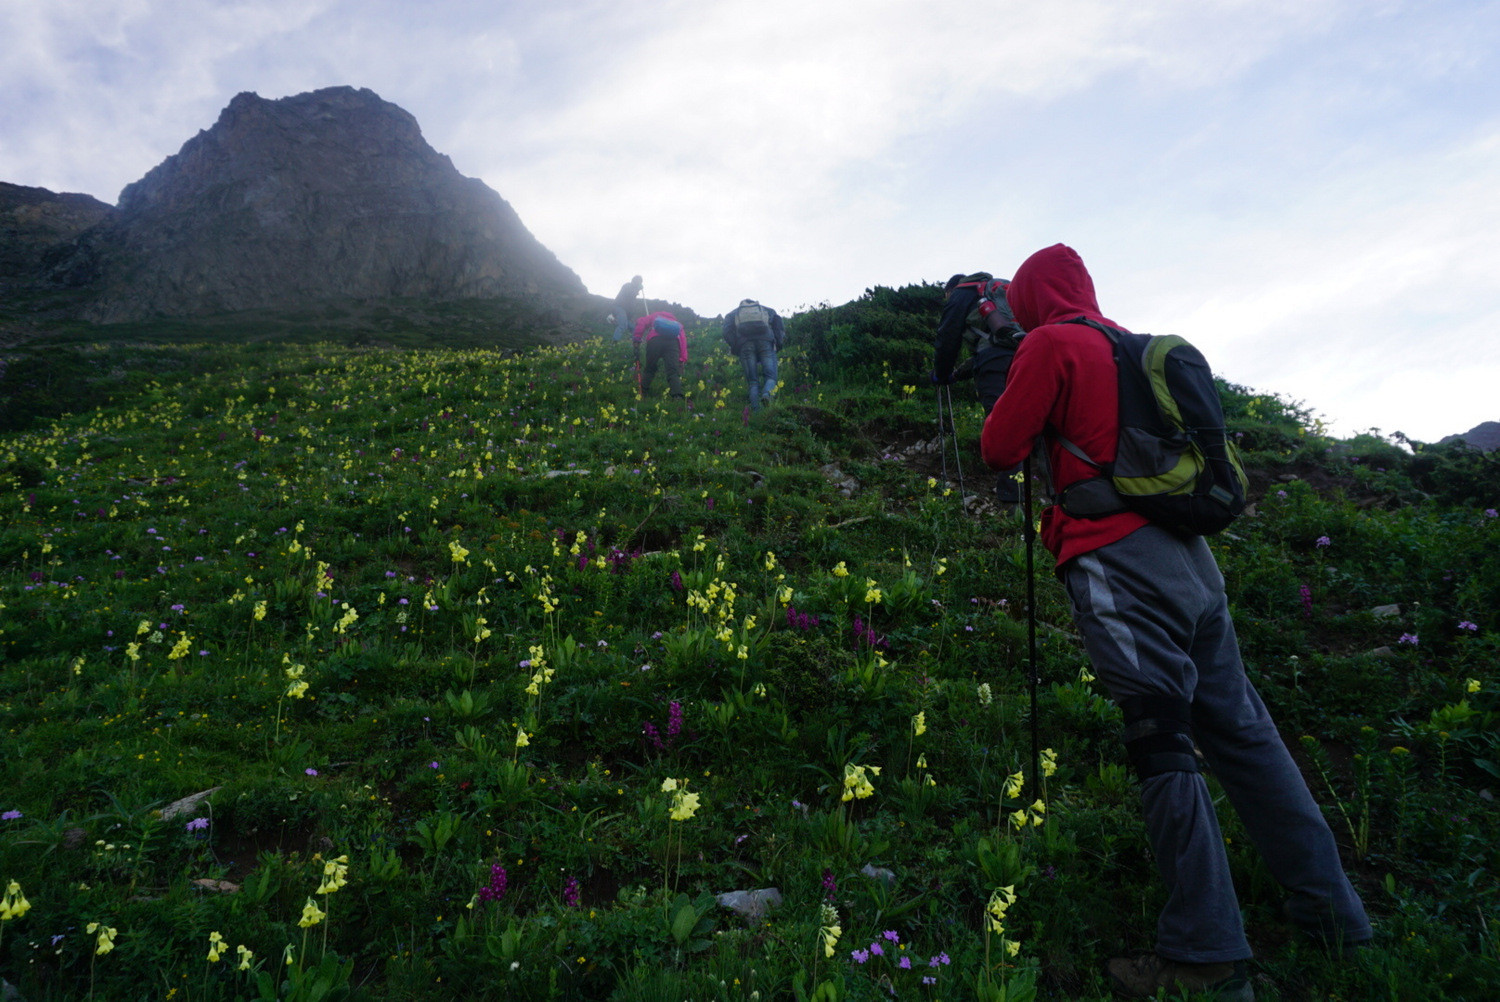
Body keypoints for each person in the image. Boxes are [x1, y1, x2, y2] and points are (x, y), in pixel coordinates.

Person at [981, 243, 1371, 1002]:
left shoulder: (1051, 344)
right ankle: (1335, 917)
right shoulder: (1132, 345)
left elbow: (999, 448)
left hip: (1119, 565)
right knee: (1245, 732)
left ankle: (1207, 955)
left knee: (1160, 741)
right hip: (1194, 565)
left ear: (1030, 298)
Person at [930, 272, 1024, 503]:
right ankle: (1047, 498)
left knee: (1001, 424)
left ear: (951, 289)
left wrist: (941, 374)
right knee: (1033, 424)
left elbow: (948, 336)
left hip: (994, 363)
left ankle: (1013, 507)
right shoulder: (1000, 291)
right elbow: (995, 342)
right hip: (1026, 355)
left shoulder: (961, 293)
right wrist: (958, 374)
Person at [721, 298, 785, 412]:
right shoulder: (767, 310)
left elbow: (726, 331)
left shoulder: (733, 314)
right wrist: (778, 344)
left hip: (745, 345)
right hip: (766, 342)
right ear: (755, 305)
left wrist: (736, 345)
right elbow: (778, 324)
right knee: (771, 376)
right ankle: (767, 395)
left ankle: (756, 412)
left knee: (753, 381)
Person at [632, 309, 687, 400]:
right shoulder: (676, 323)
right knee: (673, 371)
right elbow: (683, 341)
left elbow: (641, 322)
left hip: (655, 341)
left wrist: (637, 339)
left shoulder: (654, 316)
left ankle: (642, 393)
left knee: (650, 368)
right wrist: (682, 359)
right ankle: (677, 396)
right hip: (672, 343)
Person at [612, 275, 644, 342]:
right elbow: (630, 294)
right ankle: (614, 343)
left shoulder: (634, 294)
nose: (639, 283)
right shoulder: (627, 286)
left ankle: (634, 344)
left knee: (634, 328)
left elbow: (631, 307)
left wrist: (630, 317)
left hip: (625, 313)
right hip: (618, 307)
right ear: (634, 281)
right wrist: (637, 289)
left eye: (640, 282)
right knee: (623, 325)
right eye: (639, 282)